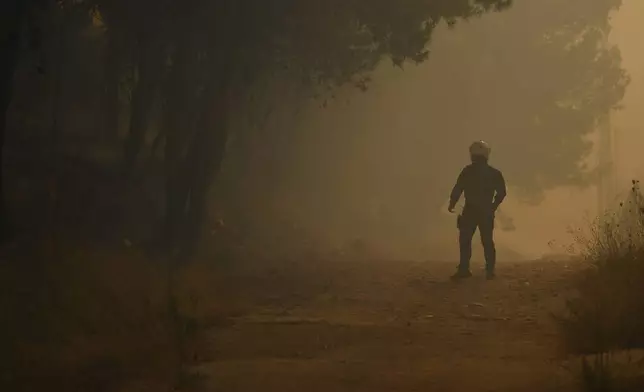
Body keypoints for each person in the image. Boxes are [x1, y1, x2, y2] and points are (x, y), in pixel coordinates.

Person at [447, 140, 506, 280]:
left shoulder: (467, 171)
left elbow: (458, 188)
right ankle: (490, 270)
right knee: (487, 240)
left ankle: (464, 269)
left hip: (470, 210)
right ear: (487, 155)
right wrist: (493, 206)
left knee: (465, 240)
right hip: (485, 211)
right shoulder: (494, 173)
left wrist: (452, 203)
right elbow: (502, 192)